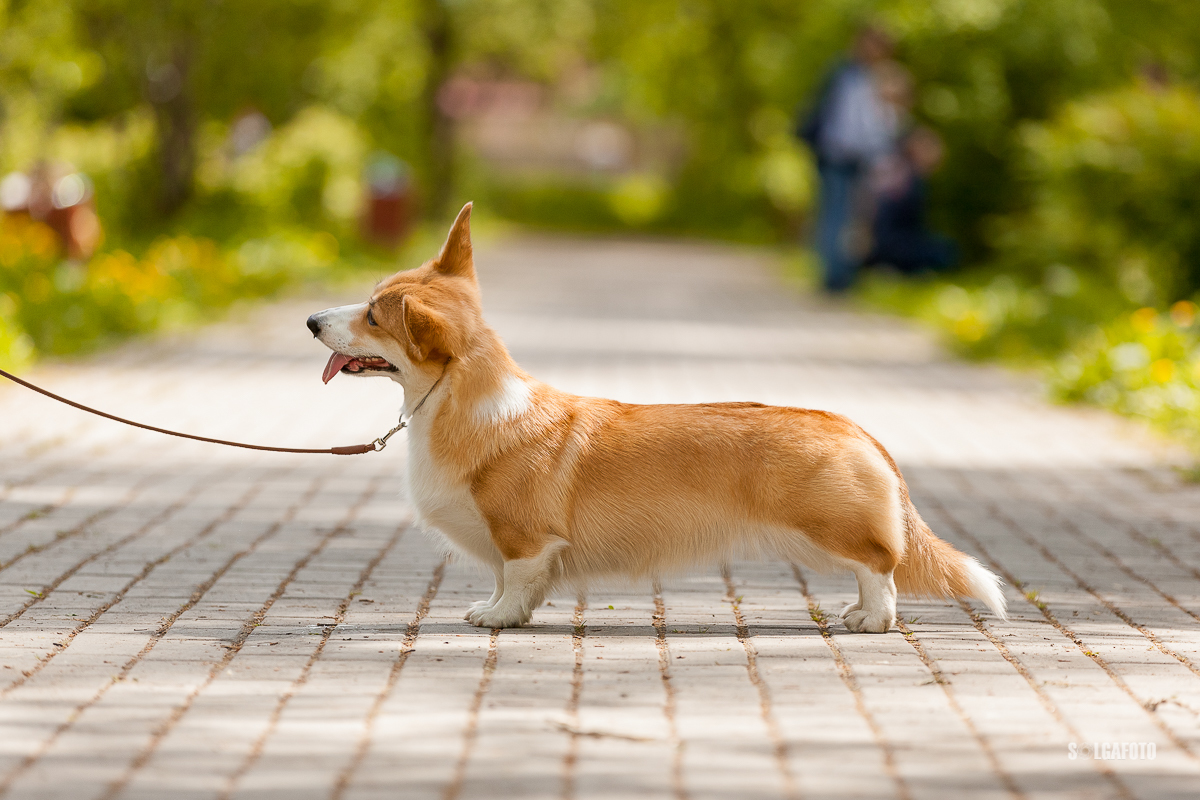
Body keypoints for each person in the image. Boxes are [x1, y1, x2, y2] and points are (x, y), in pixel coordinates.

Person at [798, 26, 899, 293]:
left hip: (866, 160)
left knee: (858, 219)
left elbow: (882, 123)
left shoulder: (880, 78)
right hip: (836, 154)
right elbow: (835, 118)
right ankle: (833, 277)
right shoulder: (842, 74)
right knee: (834, 214)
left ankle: (848, 273)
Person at [864, 126, 956, 274]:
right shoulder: (908, 180)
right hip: (889, 243)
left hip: (886, 240)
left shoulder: (898, 173)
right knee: (946, 251)